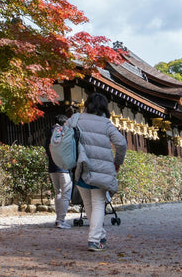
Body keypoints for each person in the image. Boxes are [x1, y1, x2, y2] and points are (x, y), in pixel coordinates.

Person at [74, 93, 127, 252]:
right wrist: (117, 161)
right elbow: (122, 143)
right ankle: (94, 240)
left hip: (80, 167)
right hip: (101, 170)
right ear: (104, 107)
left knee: (89, 204)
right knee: (98, 204)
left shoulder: (76, 119)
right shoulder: (106, 123)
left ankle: (100, 234)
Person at [47, 108, 76, 229]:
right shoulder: (62, 131)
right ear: (64, 123)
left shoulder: (49, 132)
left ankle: (57, 218)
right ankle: (61, 220)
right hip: (62, 167)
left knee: (58, 192)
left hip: (52, 167)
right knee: (66, 194)